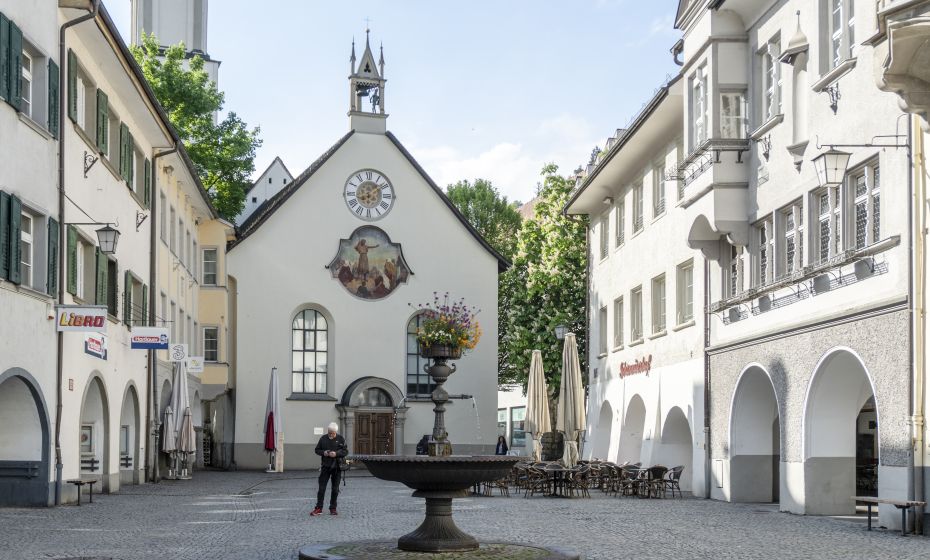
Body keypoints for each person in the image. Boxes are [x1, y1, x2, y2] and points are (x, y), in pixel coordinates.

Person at [311, 422, 347, 516]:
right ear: (328, 431)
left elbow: (345, 451)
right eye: (330, 432)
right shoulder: (323, 438)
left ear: (336, 432)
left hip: (337, 467)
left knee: (335, 489)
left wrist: (336, 454)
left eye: (333, 433)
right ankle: (319, 508)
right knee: (321, 489)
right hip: (325, 467)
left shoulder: (340, 439)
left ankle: (333, 508)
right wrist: (324, 453)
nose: (331, 434)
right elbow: (317, 450)